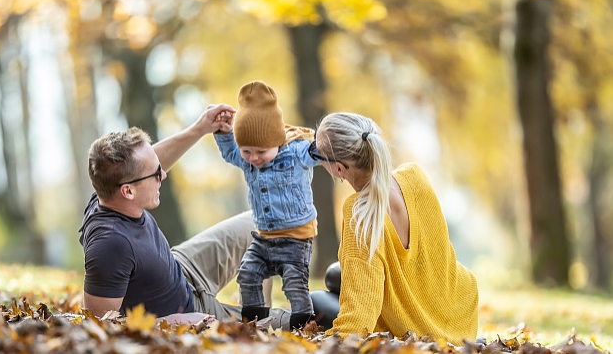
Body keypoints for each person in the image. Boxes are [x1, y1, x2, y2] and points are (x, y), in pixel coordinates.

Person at [78, 103, 287, 327]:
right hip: (191, 312)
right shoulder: (110, 245)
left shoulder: (108, 186)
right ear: (128, 191)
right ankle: (256, 328)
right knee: (299, 321)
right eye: (156, 174)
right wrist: (173, 321)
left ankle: (255, 307)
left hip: (182, 269)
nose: (163, 175)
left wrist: (201, 127)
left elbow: (144, 166)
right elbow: (99, 326)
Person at [308, 112, 479, 344]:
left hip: (416, 331)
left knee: (317, 299)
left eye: (316, 154)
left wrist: (329, 340)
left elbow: (359, 317)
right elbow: (437, 255)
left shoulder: (359, 211)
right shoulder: (415, 176)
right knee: (336, 274)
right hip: (457, 310)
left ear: (339, 169)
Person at [213, 80, 320, 330]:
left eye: (261, 151)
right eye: (247, 151)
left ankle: (304, 327)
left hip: (295, 238)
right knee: (248, 274)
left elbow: (318, 151)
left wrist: (336, 142)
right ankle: (254, 325)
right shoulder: (248, 159)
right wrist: (222, 132)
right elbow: (231, 153)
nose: (254, 158)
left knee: (294, 284)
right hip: (263, 238)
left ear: (277, 140)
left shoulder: (296, 152)